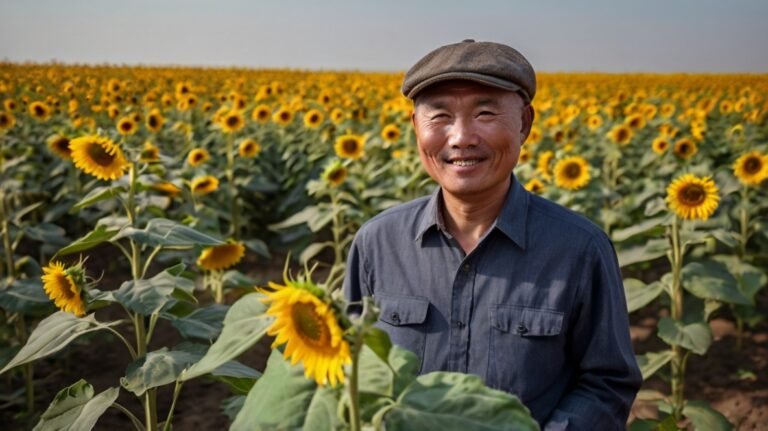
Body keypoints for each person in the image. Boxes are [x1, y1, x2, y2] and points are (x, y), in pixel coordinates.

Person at [343, 39, 642, 430]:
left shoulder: (579, 249)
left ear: (524, 124)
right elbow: (349, 366)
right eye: (440, 116)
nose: (461, 137)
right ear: (416, 127)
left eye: (485, 113)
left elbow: (606, 383)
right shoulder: (377, 244)